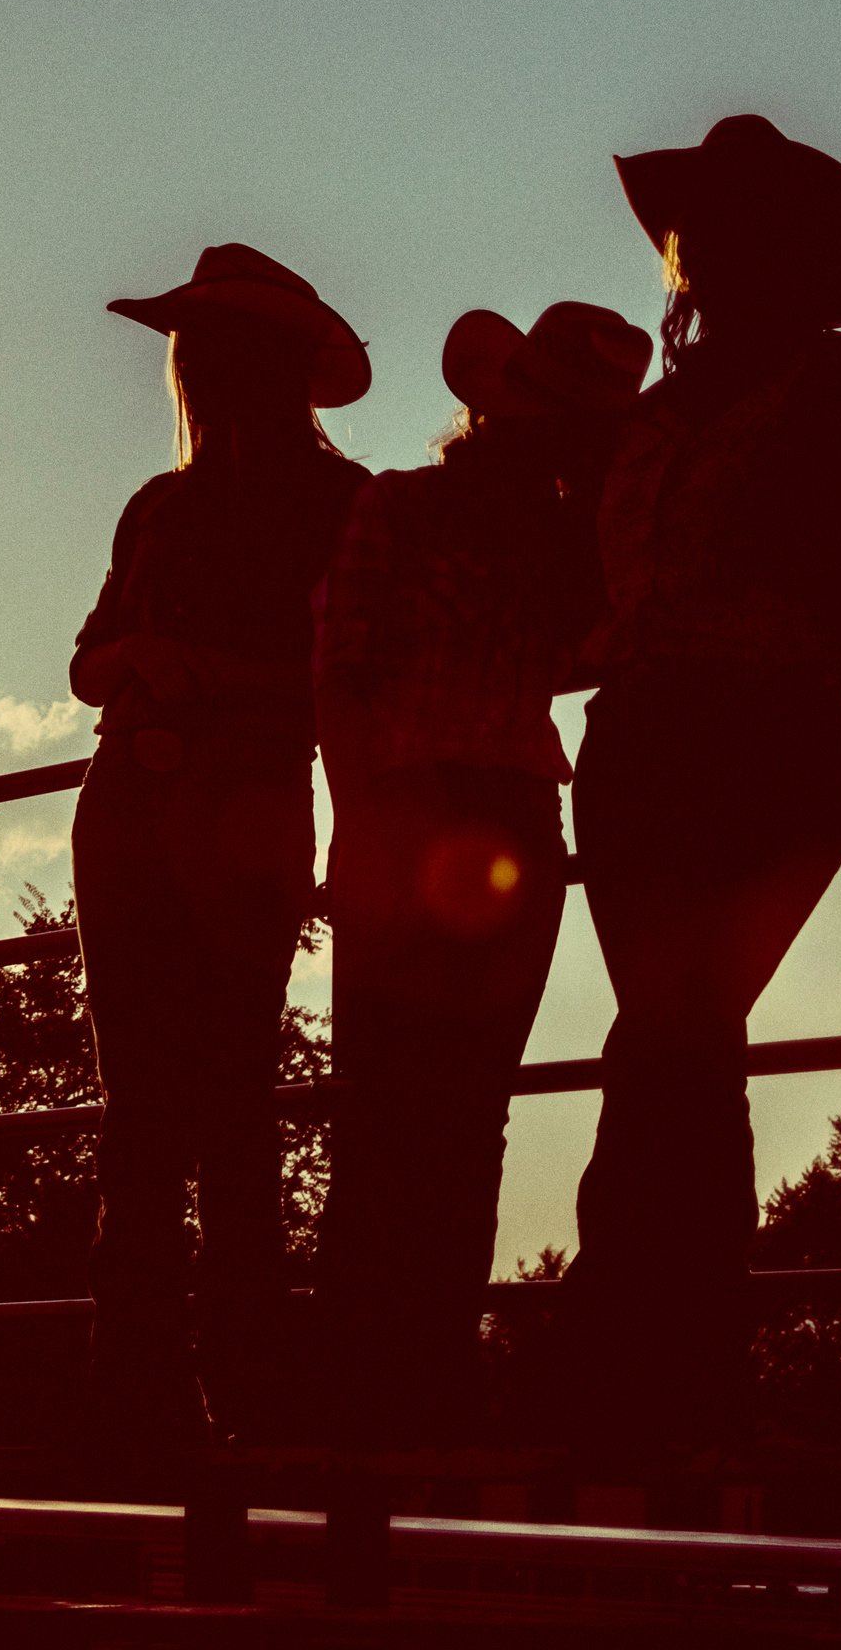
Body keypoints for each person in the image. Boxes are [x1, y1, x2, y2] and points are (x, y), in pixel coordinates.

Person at [565, 113, 841, 1446]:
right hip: (640, 746)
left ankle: (640, 1351)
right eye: (702, 233)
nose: (702, 257)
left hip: (760, 736)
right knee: (675, 1038)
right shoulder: (649, 422)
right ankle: (665, 1357)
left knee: (674, 1032)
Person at [315, 302, 648, 1450]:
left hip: (447, 811)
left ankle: (381, 1387)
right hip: (480, 817)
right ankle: (407, 1384)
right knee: (449, 1115)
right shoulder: (467, 522)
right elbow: (344, 672)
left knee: (412, 1112)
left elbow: (343, 673)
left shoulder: (439, 515)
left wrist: (361, 822)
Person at [70, 242, 369, 1450]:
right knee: (153, 1104)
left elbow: (340, 683)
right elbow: (87, 659)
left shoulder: (339, 505)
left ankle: (207, 1387)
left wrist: (185, 671)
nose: (190, 365)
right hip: (145, 799)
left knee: (215, 1102)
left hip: (229, 794)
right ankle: (164, 1386)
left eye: (204, 345)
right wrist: (138, 665)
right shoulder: (163, 504)